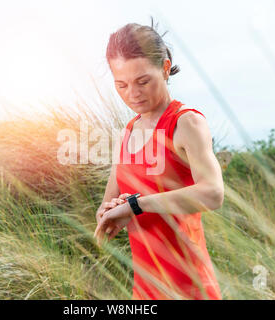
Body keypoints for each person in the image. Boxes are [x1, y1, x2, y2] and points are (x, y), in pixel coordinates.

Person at [93, 18, 224, 300]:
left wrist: (136, 206)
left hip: (189, 285)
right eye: (121, 85)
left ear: (165, 68)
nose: (133, 94)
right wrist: (107, 216)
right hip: (145, 288)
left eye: (143, 81)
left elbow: (213, 193)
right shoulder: (127, 133)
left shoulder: (185, 123)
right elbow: (110, 203)